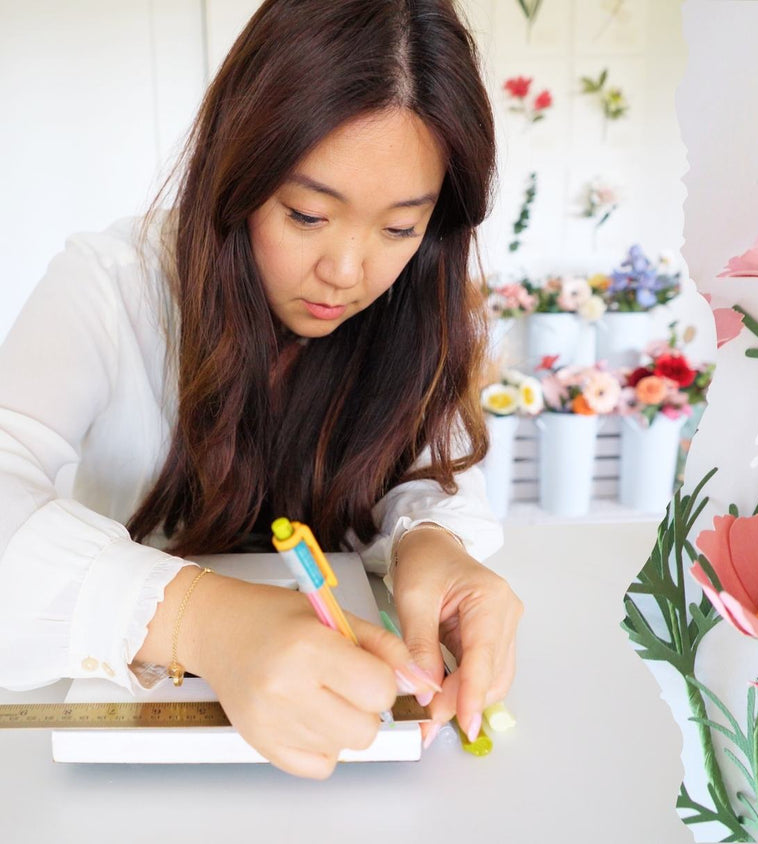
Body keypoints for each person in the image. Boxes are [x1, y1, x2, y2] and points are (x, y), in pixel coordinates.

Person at [0, 0, 523, 779]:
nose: (346, 273)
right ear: (236, 171)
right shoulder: (110, 287)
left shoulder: (420, 303)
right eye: (307, 215)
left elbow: (427, 479)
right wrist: (196, 619)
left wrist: (433, 544)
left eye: (398, 229)